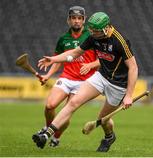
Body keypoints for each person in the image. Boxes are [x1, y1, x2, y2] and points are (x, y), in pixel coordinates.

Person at [33, 12, 138, 152]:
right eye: (91, 30)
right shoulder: (93, 36)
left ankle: (109, 136)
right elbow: (75, 52)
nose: (92, 33)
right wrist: (54, 59)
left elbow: (133, 67)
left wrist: (129, 95)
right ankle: (47, 135)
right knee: (73, 102)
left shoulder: (120, 41)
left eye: (96, 31)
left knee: (103, 119)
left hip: (118, 85)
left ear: (106, 28)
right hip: (101, 77)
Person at [32, 6, 100, 147]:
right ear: (68, 20)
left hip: (84, 82)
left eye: (79, 18)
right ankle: (48, 128)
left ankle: (56, 137)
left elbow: (103, 59)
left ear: (84, 20)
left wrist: (90, 65)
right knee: (50, 106)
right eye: (73, 18)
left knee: (66, 110)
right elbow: (57, 60)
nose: (76, 21)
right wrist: (48, 75)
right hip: (67, 77)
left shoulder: (91, 36)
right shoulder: (63, 39)